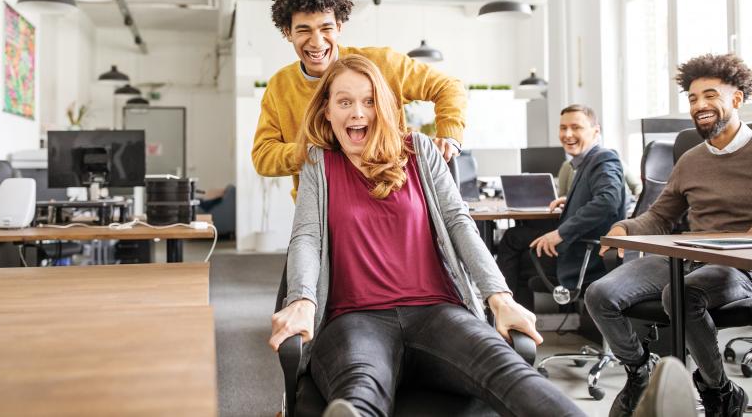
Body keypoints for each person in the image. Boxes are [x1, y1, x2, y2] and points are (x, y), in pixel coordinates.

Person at [268, 54, 585, 417]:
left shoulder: (420, 151)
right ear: (326, 110)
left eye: (369, 101)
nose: (358, 113)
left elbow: (458, 222)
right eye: (345, 101)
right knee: (359, 391)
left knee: (512, 374)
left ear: (384, 106)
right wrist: (302, 301)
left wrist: (500, 297)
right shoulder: (318, 162)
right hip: (355, 317)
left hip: (438, 313)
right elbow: (306, 237)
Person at [585, 53, 752, 417]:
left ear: (737, 98)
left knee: (679, 295)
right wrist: (623, 229)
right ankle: (640, 370)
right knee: (600, 295)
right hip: (688, 256)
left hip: (739, 267)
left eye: (711, 95)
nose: (700, 105)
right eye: (693, 98)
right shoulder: (690, 159)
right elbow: (661, 216)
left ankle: (719, 391)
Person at [252, 0, 467, 199]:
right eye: (304, 30)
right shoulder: (280, 87)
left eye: (326, 28)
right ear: (288, 33)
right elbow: (263, 156)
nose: (316, 42)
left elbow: (448, 86)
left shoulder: (382, 64)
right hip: (323, 212)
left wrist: (450, 137)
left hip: (393, 198)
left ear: (339, 27)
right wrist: (315, 151)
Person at [496, 105, 626, 308]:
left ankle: (508, 317)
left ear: (596, 131)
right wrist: (572, 200)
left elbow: (608, 201)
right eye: (563, 128)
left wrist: (560, 234)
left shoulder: (604, 158)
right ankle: (510, 317)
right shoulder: (586, 161)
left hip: (585, 254)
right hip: (580, 245)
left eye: (576, 127)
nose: (568, 134)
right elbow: (600, 195)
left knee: (514, 247)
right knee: (515, 238)